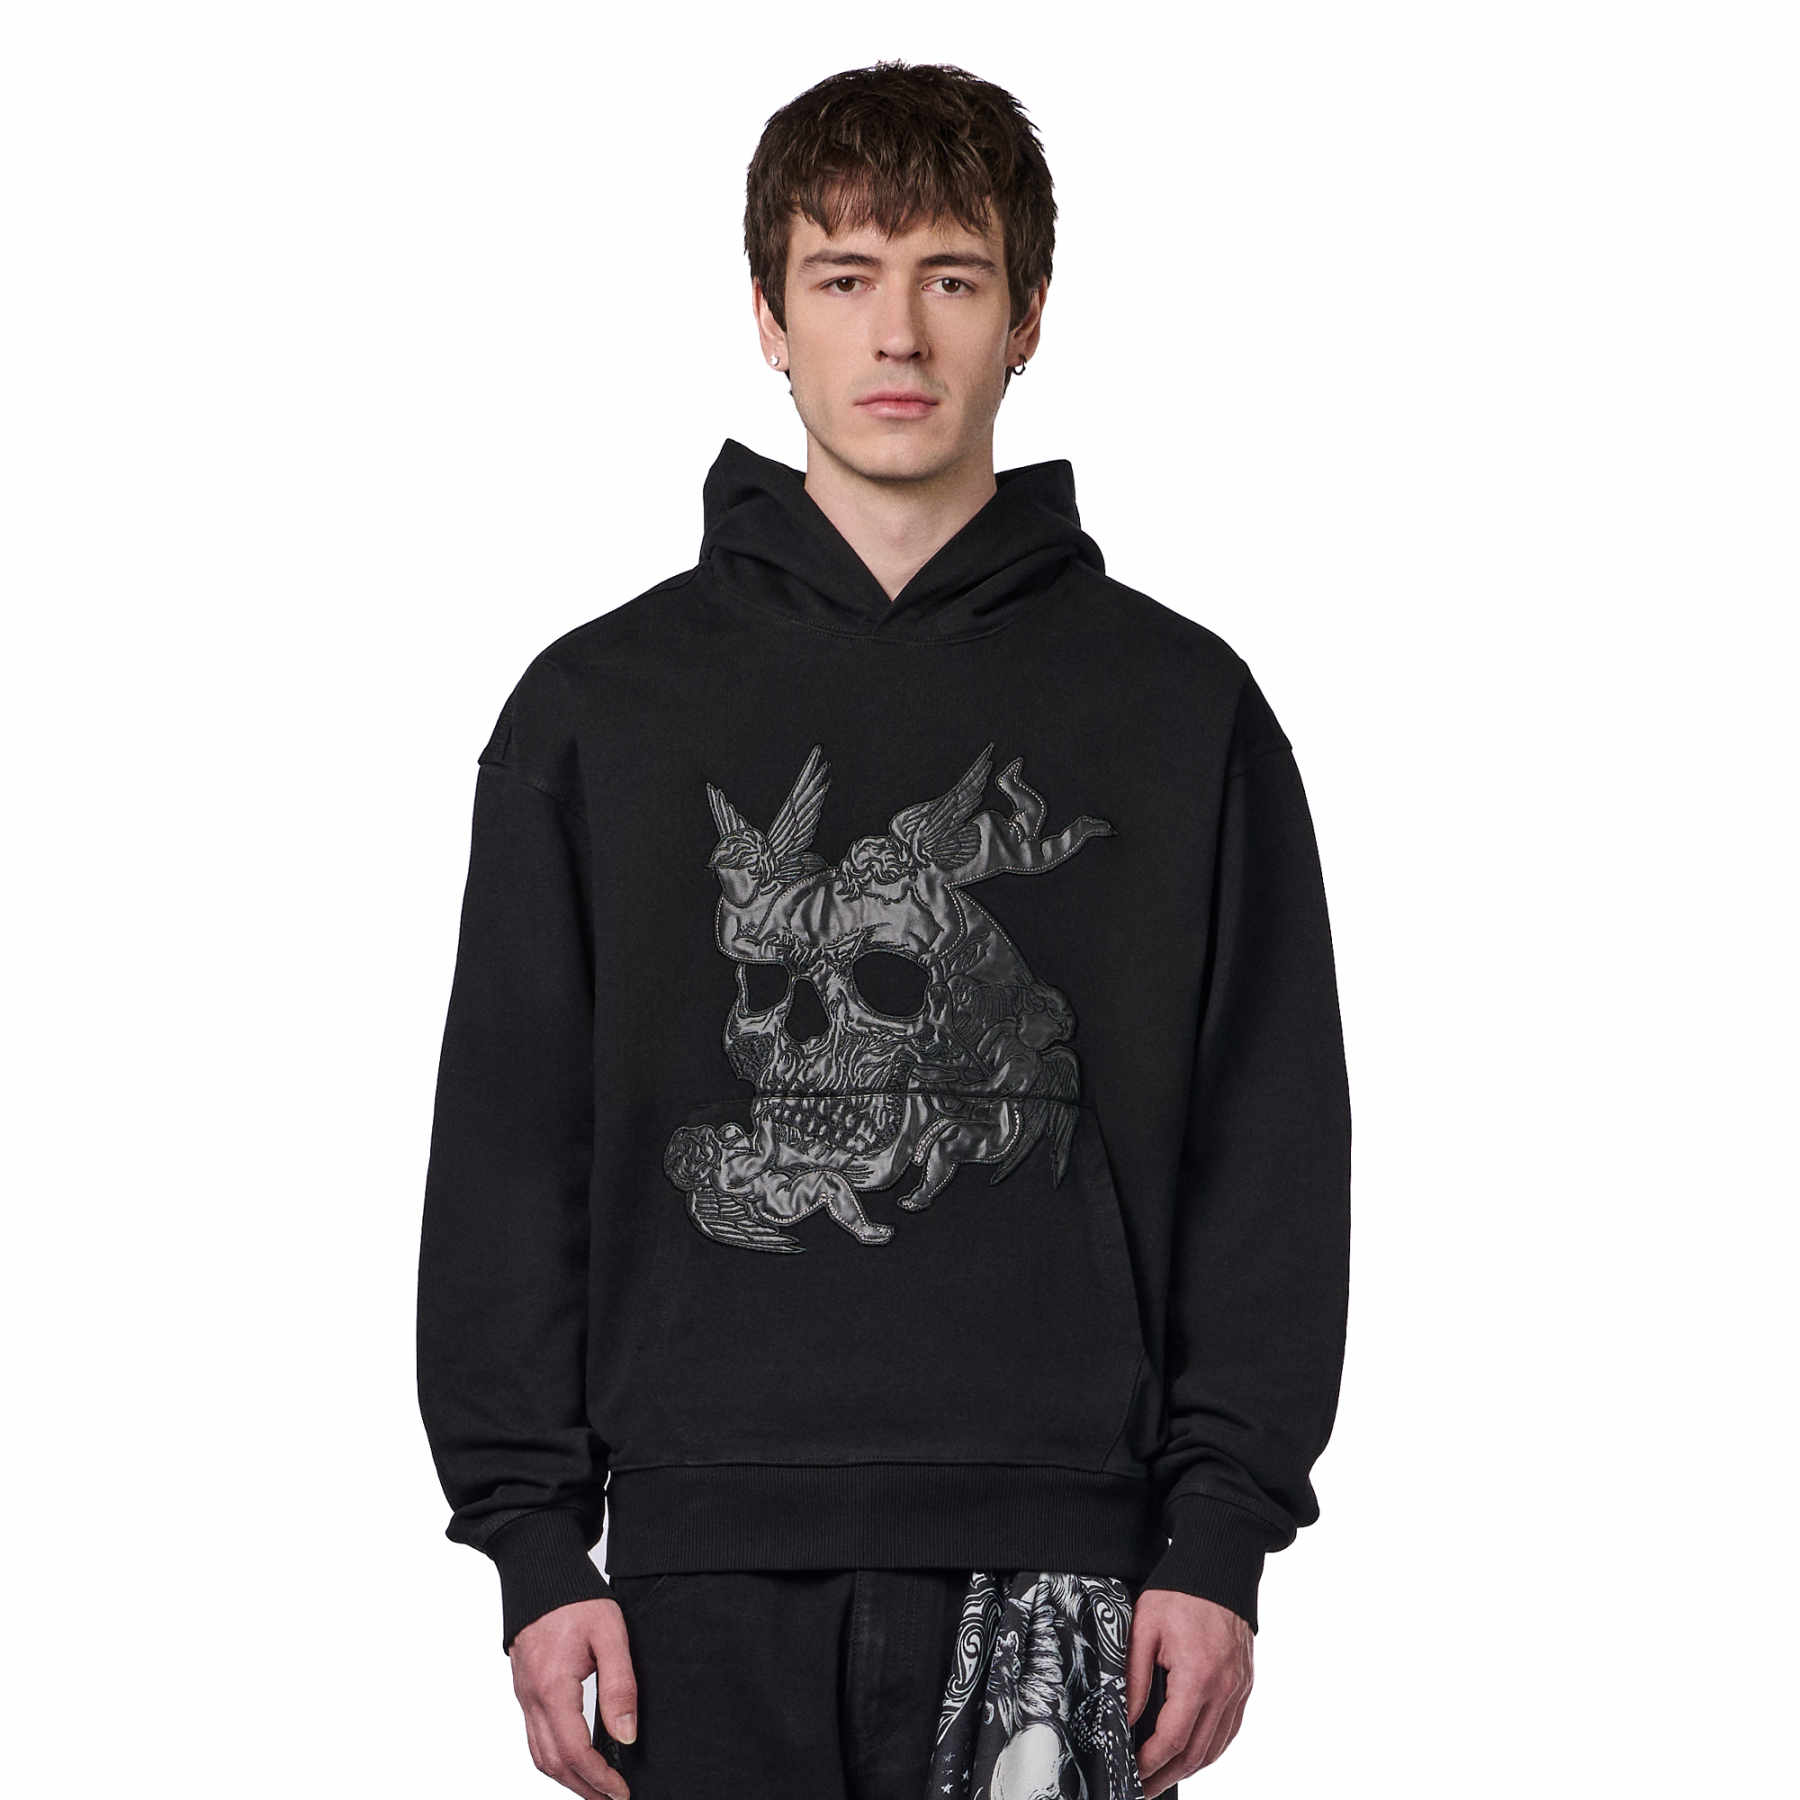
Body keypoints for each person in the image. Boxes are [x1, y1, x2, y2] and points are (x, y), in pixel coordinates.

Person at [416, 60, 1352, 1800]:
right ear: (769, 318)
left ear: (1028, 315)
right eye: (845, 278)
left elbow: (1271, 1151)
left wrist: (1221, 1533)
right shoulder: (597, 710)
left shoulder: (1182, 709)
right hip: (688, 1586)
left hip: (1065, 1576)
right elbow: (508, 1144)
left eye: (953, 278)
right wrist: (534, 1543)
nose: (899, 334)